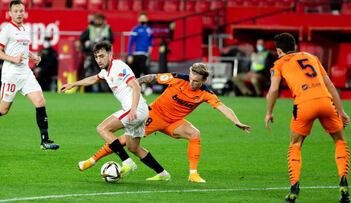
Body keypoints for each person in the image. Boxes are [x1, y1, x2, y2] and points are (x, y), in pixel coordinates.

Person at [78, 62, 252, 183]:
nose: (192, 83)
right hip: (154, 115)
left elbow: (223, 107)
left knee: (195, 134)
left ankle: (193, 174)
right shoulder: (177, 78)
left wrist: (236, 121)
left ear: (203, 81)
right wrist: (135, 84)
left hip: (174, 122)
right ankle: (92, 160)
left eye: (197, 81)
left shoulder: (206, 93)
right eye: (191, 78)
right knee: (125, 141)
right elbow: (152, 77)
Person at [61, 41, 170, 181]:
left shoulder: (119, 67)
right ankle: (162, 173)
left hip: (135, 109)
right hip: (136, 110)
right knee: (133, 147)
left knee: (102, 129)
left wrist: (133, 109)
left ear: (110, 54)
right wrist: (73, 84)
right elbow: (94, 78)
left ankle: (127, 162)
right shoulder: (106, 70)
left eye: (102, 56)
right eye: (96, 57)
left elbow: (136, 86)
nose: (99, 60)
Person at [265, 33, 350, 203]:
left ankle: (294, 186)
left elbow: (274, 90)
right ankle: (343, 184)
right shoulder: (312, 57)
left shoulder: (279, 63)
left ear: (279, 50)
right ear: (294, 47)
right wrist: (341, 111)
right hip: (326, 101)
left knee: (295, 144)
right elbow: (331, 85)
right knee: (340, 141)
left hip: (304, 104)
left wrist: (269, 112)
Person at [0, 0, 59, 150]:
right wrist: (13, 59)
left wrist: (33, 56)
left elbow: (23, 50)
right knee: (3, 110)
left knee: (40, 101)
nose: (19, 13)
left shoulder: (25, 29)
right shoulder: (7, 29)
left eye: (21, 11)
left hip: (25, 73)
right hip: (11, 74)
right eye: (16, 11)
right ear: (10, 13)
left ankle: (45, 141)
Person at [80, 13, 114, 92]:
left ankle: (106, 90)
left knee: (105, 72)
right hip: (92, 54)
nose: (98, 21)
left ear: (103, 20)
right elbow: (82, 38)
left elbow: (111, 39)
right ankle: (90, 90)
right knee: (92, 72)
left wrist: (105, 41)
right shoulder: (90, 28)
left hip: (104, 55)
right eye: (97, 19)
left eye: (100, 19)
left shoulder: (107, 28)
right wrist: (86, 46)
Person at [127, 13, 153, 78]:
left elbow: (150, 42)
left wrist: (150, 51)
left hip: (145, 54)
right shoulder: (135, 29)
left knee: (146, 71)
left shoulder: (149, 30)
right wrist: (130, 55)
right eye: (141, 18)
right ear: (138, 19)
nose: (142, 19)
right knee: (136, 72)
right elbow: (131, 42)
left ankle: (148, 87)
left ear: (147, 19)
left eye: (144, 18)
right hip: (136, 54)